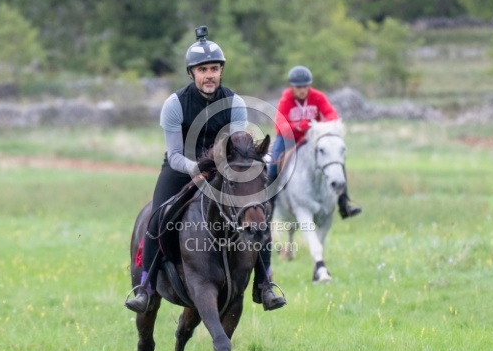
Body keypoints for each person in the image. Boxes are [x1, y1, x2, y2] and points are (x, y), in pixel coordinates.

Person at [125, 25, 286, 313]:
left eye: (214, 68)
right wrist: (196, 168)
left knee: (258, 217)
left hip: (224, 171)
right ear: (192, 74)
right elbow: (174, 154)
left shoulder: (234, 102)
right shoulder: (174, 104)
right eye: (202, 70)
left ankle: (265, 286)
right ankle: (146, 287)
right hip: (181, 169)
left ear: (221, 71)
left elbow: (238, 145)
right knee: (157, 218)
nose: (209, 74)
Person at [269, 65, 362, 218]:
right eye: (298, 87)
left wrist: (327, 125)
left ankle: (344, 203)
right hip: (289, 138)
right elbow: (280, 124)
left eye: (305, 86)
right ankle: (268, 207)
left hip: (313, 138)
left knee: (336, 160)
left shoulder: (317, 96)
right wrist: (300, 126)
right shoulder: (286, 99)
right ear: (292, 87)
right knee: (273, 165)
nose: (302, 90)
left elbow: (331, 113)